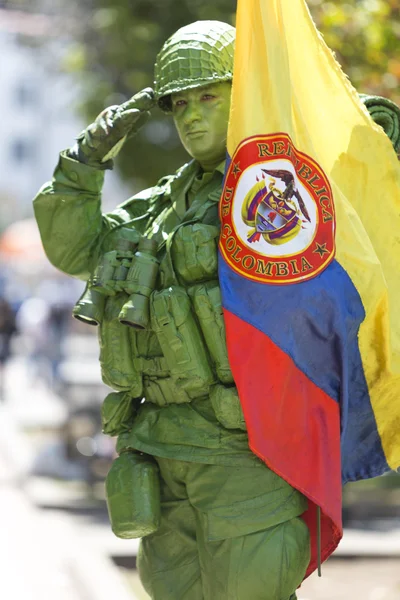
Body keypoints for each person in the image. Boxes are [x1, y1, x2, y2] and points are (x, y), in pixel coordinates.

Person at [34, 21, 310, 600]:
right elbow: (76, 249)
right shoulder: (161, 205)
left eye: (209, 95)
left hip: (245, 454)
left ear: (248, 92)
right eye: (179, 104)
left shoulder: (282, 187)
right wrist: (87, 157)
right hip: (159, 448)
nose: (189, 116)